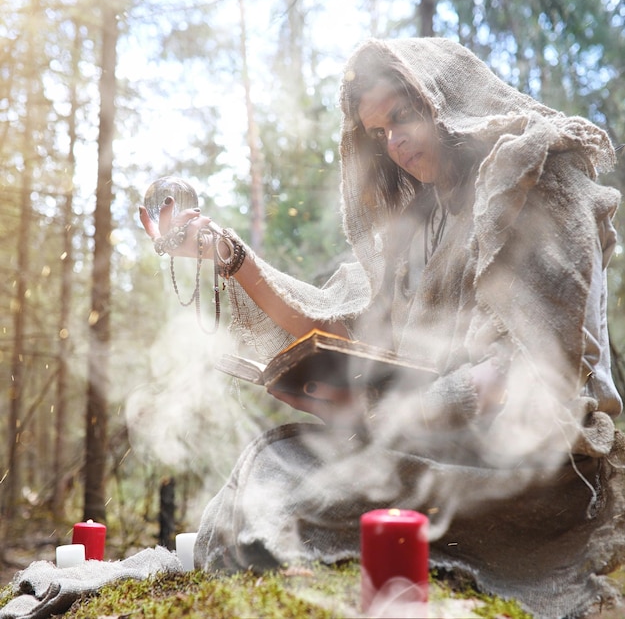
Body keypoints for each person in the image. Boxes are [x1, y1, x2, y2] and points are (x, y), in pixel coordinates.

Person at [140, 37, 625, 618]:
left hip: (528, 471)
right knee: (268, 466)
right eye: (377, 132)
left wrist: (389, 412)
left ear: (444, 98)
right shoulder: (422, 225)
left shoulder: (536, 175)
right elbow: (344, 331)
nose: (393, 142)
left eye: (400, 116)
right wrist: (227, 256)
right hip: (431, 448)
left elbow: (525, 374)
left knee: (287, 494)